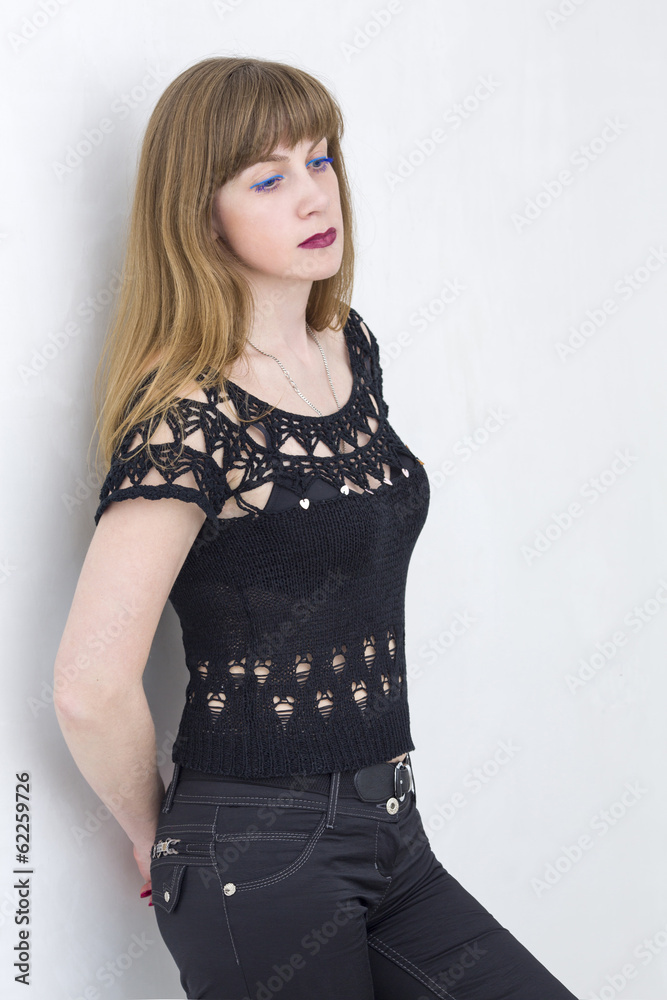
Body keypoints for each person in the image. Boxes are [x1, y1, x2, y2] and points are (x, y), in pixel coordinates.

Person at [54, 56, 580, 1000]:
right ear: (199, 214)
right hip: (254, 859)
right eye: (267, 179)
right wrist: (153, 836)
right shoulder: (189, 419)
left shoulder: (350, 349)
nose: (313, 194)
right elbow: (90, 683)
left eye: (320, 158)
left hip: (394, 834)